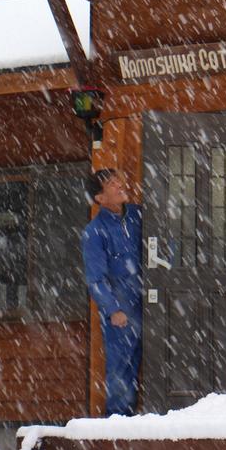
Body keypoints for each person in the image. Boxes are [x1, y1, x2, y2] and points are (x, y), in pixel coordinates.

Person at [82, 168, 142, 417]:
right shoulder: (95, 232)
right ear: (100, 198)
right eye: (111, 184)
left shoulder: (138, 216)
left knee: (147, 360)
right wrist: (113, 309)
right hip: (122, 309)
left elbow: (164, 243)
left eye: (119, 179)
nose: (120, 184)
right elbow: (96, 279)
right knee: (121, 367)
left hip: (150, 300)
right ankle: (118, 424)